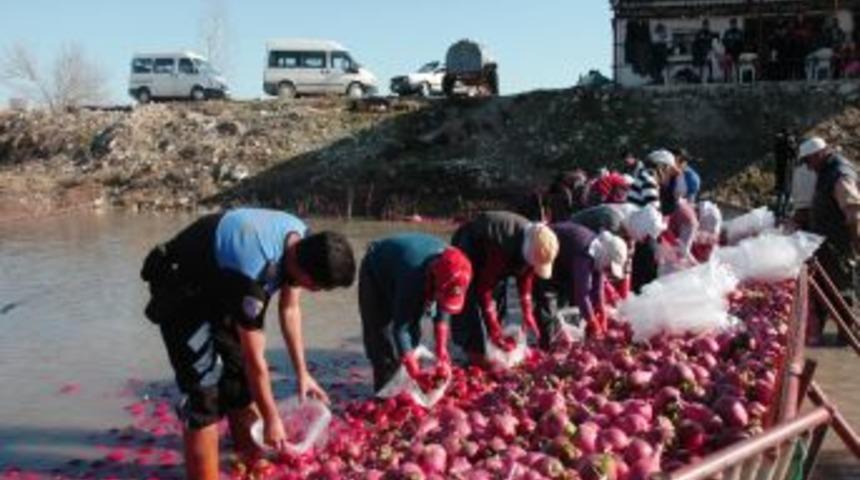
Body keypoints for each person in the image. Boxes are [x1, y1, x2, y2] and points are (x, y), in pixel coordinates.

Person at [140, 208, 356, 480]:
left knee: (238, 374)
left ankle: (249, 455)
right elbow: (257, 362)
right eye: (319, 287)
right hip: (183, 285)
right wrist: (272, 418)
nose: (317, 292)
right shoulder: (253, 278)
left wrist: (302, 372)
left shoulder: (303, 242)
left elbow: (289, 309)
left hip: (222, 282)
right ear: (306, 273)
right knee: (203, 394)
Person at [358, 233, 472, 391]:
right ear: (433, 277)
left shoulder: (459, 270)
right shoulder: (412, 276)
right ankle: (385, 387)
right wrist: (415, 373)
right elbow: (400, 329)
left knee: (413, 332)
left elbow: (443, 309)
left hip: (412, 269)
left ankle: (408, 377)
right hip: (377, 270)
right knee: (380, 335)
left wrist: (442, 351)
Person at [450, 211, 559, 363]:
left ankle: (494, 343)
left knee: (498, 295)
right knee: (469, 295)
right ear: (528, 251)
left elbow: (526, 274)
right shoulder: (502, 243)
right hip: (472, 244)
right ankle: (473, 352)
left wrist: (527, 311)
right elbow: (485, 287)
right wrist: (492, 325)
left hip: (498, 255)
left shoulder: (535, 243)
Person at [798, 137, 860, 345]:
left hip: (838, 246)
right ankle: (825, 337)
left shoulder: (839, 174)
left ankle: (846, 338)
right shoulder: (827, 171)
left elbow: (853, 213)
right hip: (827, 245)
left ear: (819, 155)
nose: (807, 166)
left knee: (842, 291)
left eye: (808, 161)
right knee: (826, 290)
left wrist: (855, 243)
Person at [534, 223, 628, 345]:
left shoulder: (599, 253)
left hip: (562, 263)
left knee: (566, 305)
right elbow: (582, 293)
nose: (609, 270)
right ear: (606, 256)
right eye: (609, 266)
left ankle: (563, 339)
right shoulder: (585, 252)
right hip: (544, 254)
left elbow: (598, 288)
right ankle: (547, 345)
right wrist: (592, 321)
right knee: (548, 303)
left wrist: (602, 311)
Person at [570, 203, 666, 298]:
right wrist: (612, 294)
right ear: (642, 226)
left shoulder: (632, 225)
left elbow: (627, 267)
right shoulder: (612, 221)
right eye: (646, 237)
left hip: (584, 253)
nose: (644, 241)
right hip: (570, 245)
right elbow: (601, 260)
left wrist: (624, 301)